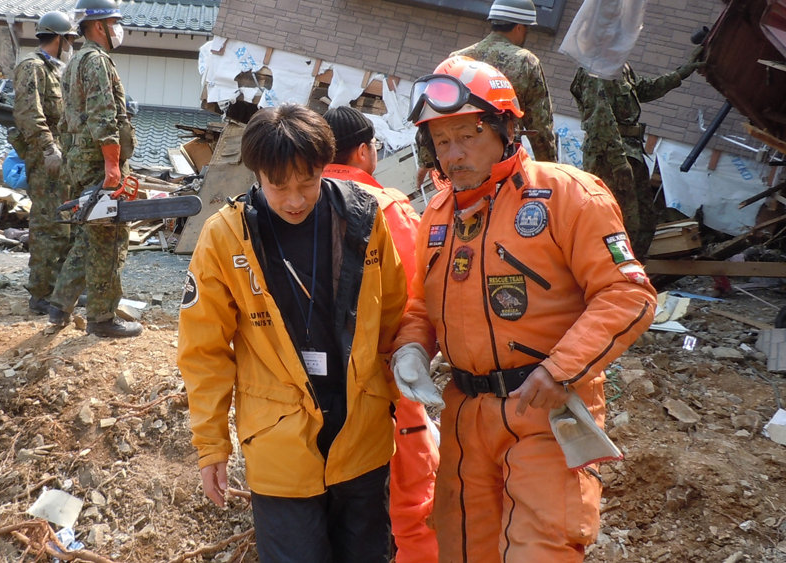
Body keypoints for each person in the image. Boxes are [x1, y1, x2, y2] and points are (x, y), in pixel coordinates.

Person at [392, 56, 657, 561]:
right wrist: (410, 346)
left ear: (505, 128)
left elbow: (627, 295)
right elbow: (422, 305)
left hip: (547, 408)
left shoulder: (567, 195)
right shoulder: (438, 212)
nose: (453, 154)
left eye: (467, 135)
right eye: (442, 142)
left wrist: (561, 368)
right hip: (465, 413)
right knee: (463, 548)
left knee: (543, 548)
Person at [178, 104, 407, 563]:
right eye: (278, 186)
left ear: (325, 166)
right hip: (280, 442)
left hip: (361, 435)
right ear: (257, 174)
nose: (294, 199)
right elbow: (203, 350)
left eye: (307, 183)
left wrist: (393, 390)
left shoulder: (364, 218)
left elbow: (394, 311)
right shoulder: (226, 236)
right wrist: (211, 445)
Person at [322, 106, 439, 563]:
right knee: (415, 499)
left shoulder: (287, 204)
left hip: (307, 390)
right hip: (385, 383)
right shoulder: (389, 207)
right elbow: (418, 298)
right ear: (366, 150)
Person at [45, 0, 141, 338]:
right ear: (99, 25)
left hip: (82, 157)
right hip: (99, 160)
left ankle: (59, 305)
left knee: (90, 233)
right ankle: (102, 318)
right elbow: (103, 116)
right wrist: (113, 165)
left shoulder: (74, 62)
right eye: (115, 22)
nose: (119, 28)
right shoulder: (97, 61)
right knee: (108, 238)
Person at [570, 52, 703, 258]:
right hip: (610, 157)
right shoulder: (596, 71)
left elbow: (643, 89)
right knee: (616, 223)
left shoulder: (619, 67)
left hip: (631, 153)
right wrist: (618, 163)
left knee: (643, 222)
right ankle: (609, 272)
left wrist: (681, 73)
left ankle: (628, 271)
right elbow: (600, 122)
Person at [13, 11, 78, 314]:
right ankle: (40, 293)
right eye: (70, 39)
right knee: (48, 225)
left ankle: (58, 290)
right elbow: (29, 112)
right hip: (45, 158)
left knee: (64, 225)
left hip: (60, 157)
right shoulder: (32, 67)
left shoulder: (55, 70)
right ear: (61, 38)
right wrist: (49, 148)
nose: (72, 45)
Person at [452, 0, 556, 163]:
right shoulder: (525, 61)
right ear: (520, 27)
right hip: (503, 155)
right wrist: (549, 165)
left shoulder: (458, 59)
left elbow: (438, 106)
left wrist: (427, 160)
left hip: (460, 152)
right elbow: (540, 124)